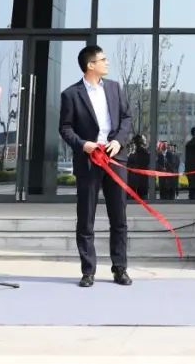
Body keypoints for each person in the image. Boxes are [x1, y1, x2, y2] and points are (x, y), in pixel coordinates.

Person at [58, 45, 134, 288]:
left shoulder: (114, 88)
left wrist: (118, 142)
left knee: (119, 217)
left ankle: (120, 269)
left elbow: (126, 118)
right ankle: (88, 271)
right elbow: (65, 128)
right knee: (86, 217)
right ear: (90, 65)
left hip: (114, 158)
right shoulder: (71, 94)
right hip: (88, 161)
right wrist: (83, 145)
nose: (107, 62)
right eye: (103, 59)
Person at [128, 134, 150, 199]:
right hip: (134, 182)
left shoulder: (142, 152)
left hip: (140, 182)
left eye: (133, 144)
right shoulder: (132, 153)